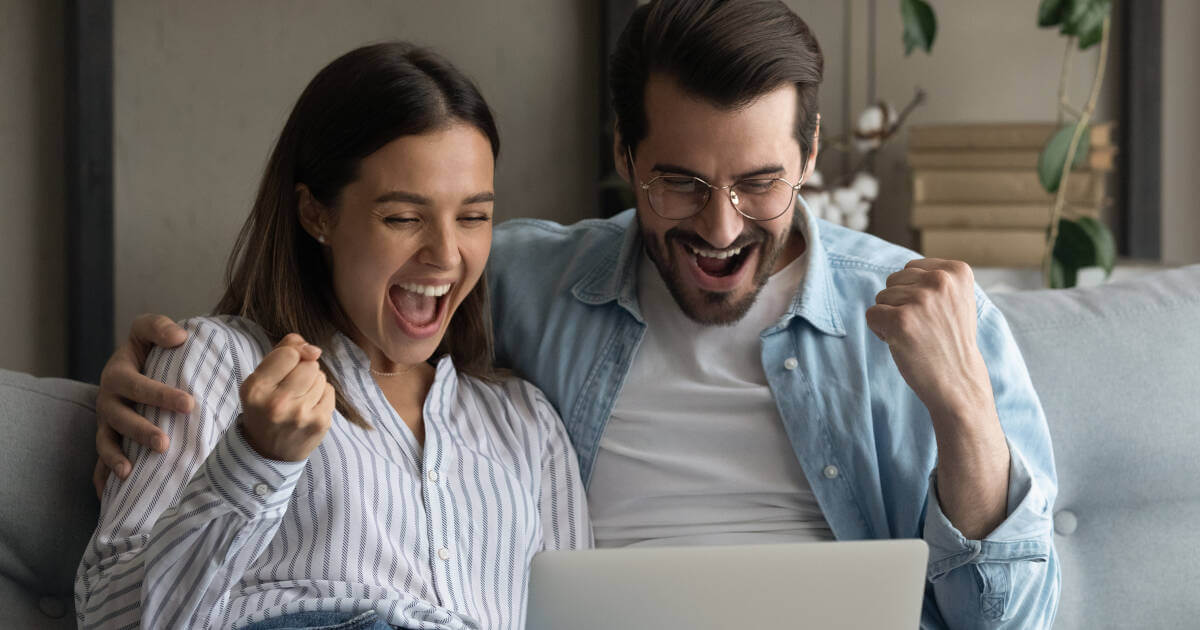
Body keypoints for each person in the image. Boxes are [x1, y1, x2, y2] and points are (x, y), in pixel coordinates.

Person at [93, 0, 1059, 627]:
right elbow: (340, 299)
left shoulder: (930, 316)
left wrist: (965, 409)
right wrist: (163, 377)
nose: (720, 228)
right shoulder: (528, 281)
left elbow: (1015, 619)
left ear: (810, 152)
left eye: (759, 183)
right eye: (679, 182)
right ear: (625, 155)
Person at [75, 42, 589, 630]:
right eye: (403, 217)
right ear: (317, 214)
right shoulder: (215, 363)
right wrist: (255, 459)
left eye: (473, 216)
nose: (446, 254)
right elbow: (107, 618)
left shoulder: (527, 426)